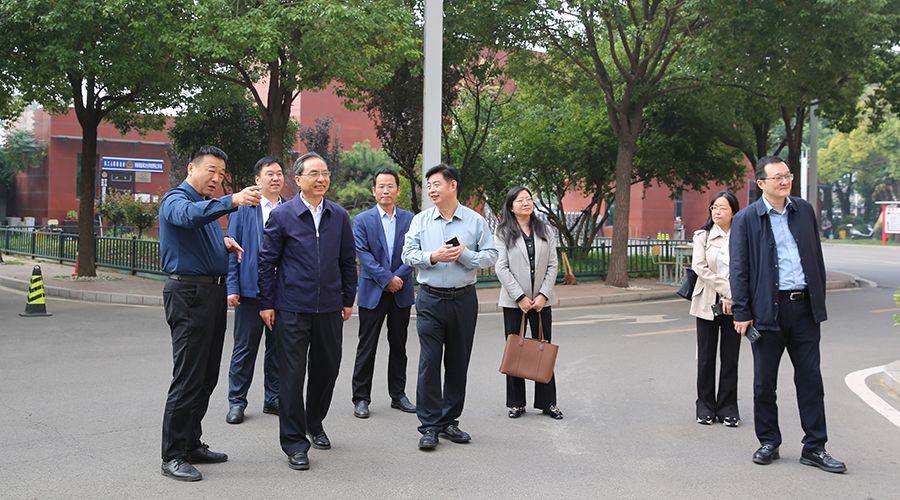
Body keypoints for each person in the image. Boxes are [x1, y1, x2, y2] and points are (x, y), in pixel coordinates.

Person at [730, 156, 846, 474]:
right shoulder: (746, 219)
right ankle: (769, 441)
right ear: (761, 183)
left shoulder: (803, 210)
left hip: (804, 309)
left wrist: (818, 301)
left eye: (788, 175)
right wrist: (742, 311)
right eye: (777, 177)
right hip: (768, 311)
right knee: (764, 383)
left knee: (811, 381)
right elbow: (739, 269)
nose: (785, 181)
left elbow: (815, 257)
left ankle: (815, 447)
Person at [158, 145, 262, 482]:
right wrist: (233, 200)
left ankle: (191, 444)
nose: (216, 178)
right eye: (211, 171)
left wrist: (223, 243)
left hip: (211, 294)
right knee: (188, 376)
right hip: (189, 294)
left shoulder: (204, 207)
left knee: (206, 376)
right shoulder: (176, 200)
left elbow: (196, 234)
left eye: (221, 173)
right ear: (191, 168)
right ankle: (173, 455)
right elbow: (187, 217)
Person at [257, 152, 357, 471]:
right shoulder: (283, 215)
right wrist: (266, 303)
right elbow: (267, 262)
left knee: (327, 369)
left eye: (325, 173)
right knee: (291, 375)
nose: (321, 179)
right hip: (292, 308)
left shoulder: (338, 215)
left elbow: (347, 261)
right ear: (298, 179)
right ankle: (294, 443)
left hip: (329, 307)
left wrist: (348, 298)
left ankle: (315, 422)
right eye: (314, 173)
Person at [401, 164, 498, 451]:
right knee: (429, 362)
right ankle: (429, 426)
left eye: (436, 184)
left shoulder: (475, 221)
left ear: (452, 185)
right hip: (430, 299)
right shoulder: (420, 221)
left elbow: (491, 255)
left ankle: (449, 421)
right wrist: (433, 256)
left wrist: (465, 255)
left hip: (464, 300)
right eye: (428, 185)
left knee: (458, 361)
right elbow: (407, 255)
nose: (431, 190)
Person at [350, 168, 416, 418]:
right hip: (373, 291)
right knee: (366, 347)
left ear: (397, 190)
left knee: (399, 346)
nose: (385, 190)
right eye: (381, 186)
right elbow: (363, 254)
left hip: (401, 290)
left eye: (390, 186)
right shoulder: (362, 220)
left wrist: (398, 277)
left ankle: (398, 395)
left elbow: (413, 251)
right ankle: (361, 398)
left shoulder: (410, 219)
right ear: (373, 191)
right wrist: (387, 279)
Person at [224, 157, 285, 424]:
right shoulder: (243, 210)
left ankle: (273, 398)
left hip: (282, 293)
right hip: (250, 292)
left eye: (279, 173)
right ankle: (237, 401)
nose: (276, 178)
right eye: (270, 173)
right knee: (244, 349)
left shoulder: (290, 210)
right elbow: (232, 250)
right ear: (257, 180)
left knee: (278, 350)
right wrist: (232, 287)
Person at [493, 186, 563, 420]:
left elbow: (553, 264)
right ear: (511, 206)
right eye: (520, 200)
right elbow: (501, 267)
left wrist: (543, 294)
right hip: (515, 302)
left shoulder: (545, 229)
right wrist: (520, 297)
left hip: (542, 301)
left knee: (544, 348)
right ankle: (516, 403)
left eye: (529, 199)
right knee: (515, 349)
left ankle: (548, 403)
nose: (526, 203)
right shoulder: (503, 232)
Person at [689, 190, 741, 427]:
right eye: (714, 207)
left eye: (723, 208)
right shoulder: (702, 236)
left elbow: (746, 268)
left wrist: (734, 296)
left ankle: (728, 407)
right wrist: (728, 290)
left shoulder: (742, 236)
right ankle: (705, 407)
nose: (717, 212)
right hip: (707, 302)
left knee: (730, 358)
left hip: (735, 306)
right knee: (705, 358)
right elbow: (700, 268)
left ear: (734, 212)